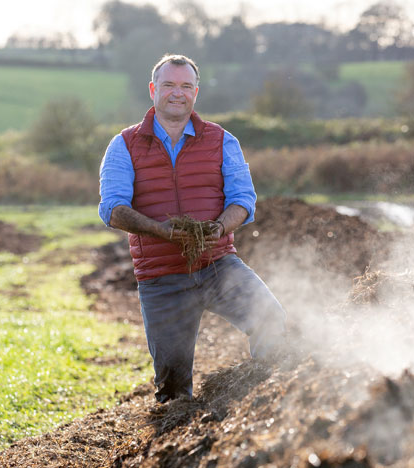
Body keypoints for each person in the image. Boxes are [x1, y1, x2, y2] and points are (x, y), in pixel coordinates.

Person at [98, 54, 286, 403]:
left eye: (185, 86)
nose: (177, 93)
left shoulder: (221, 140)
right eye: (169, 85)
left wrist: (217, 227)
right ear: (154, 90)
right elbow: (112, 208)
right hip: (161, 277)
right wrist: (162, 231)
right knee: (172, 388)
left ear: (196, 93)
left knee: (270, 317)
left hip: (217, 265)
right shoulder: (123, 145)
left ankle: (263, 404)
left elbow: (243, 200)